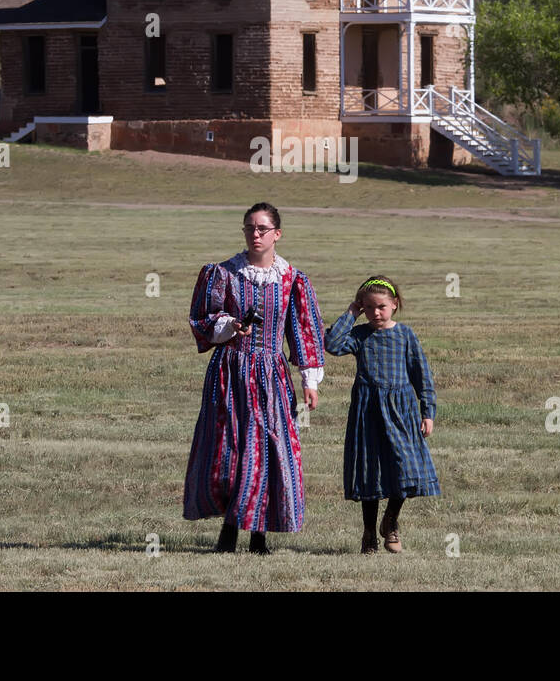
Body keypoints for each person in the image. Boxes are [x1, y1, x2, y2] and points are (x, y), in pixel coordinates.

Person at [183, 202, 326, 554]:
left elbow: (303, 330)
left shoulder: (292, 279)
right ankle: (229, 532)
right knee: (230, 449)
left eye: (263, 228)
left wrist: (310, 379)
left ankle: (258, 536)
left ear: (278, 233)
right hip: (229, 370)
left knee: (267, 449)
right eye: (250, 228)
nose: (256, 234)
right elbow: (202, 320)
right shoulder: (224, 273)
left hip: (271, 375)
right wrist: (230, 326)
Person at [324, 275, 439, 554]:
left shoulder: (406, 335)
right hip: (368, 411)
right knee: (370, 473)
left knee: (406, 467)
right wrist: (351, 313)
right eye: (369, 307)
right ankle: (368, 534)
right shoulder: (361, 335)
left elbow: (421, 375)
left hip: (401, 411)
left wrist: (428, 411)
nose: (376, 313)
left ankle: (390, 520)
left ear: (395, 305)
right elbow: (331, 343)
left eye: (382, 307)